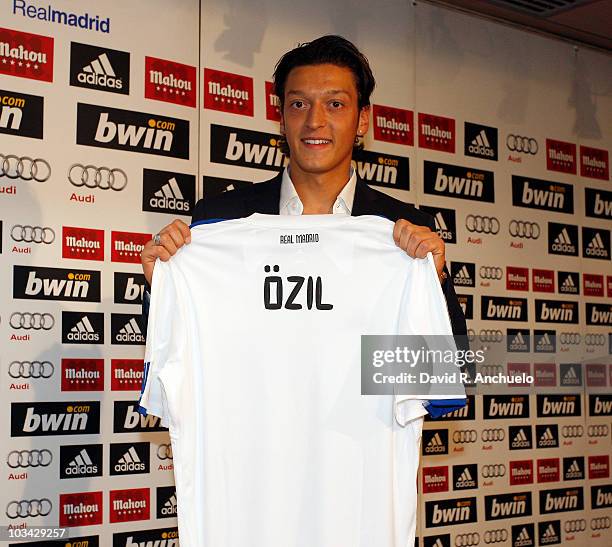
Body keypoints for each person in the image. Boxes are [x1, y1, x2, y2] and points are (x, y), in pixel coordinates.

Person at [140, 35, 467, 341]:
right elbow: (184, 352)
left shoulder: (403, 229)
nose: (315, 121)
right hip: (250, 404)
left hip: (359, 405)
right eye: (298, 104)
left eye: (335, 104)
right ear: (281, 118)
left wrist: (432, 281)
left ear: (363, 119)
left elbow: (444, 369)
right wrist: (165, 286)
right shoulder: (220, 219)